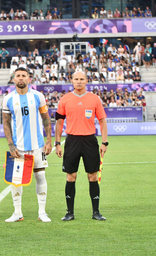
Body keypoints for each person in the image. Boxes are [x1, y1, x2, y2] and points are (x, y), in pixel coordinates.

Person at [54, 71, 108, 221]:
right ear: (71, 81)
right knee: (71, 176)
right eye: (76, 79)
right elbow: (59, 123)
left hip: (90, 140)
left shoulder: (94, 99)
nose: (79, 81)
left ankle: (96, 212)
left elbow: (102, 121)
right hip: (72, 141)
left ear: (86, 81)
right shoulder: (65, 99)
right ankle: (69, 212)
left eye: (81, 79)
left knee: (93, 176)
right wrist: (57, 143)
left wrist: (104, 142)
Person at [2, 67, 52, 223]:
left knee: (40, 175)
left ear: (29, 78)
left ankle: (42, 212)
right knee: (16, 180)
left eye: (24, 76)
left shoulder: (38, 96)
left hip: (37, 145)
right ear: (14, 79)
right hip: (19, 147)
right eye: (18, 76)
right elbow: (6, 123)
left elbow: (46, 119)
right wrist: (11, 145)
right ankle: (17, 213)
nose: (21, 78)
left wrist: (49, 140)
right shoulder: (8, 99)